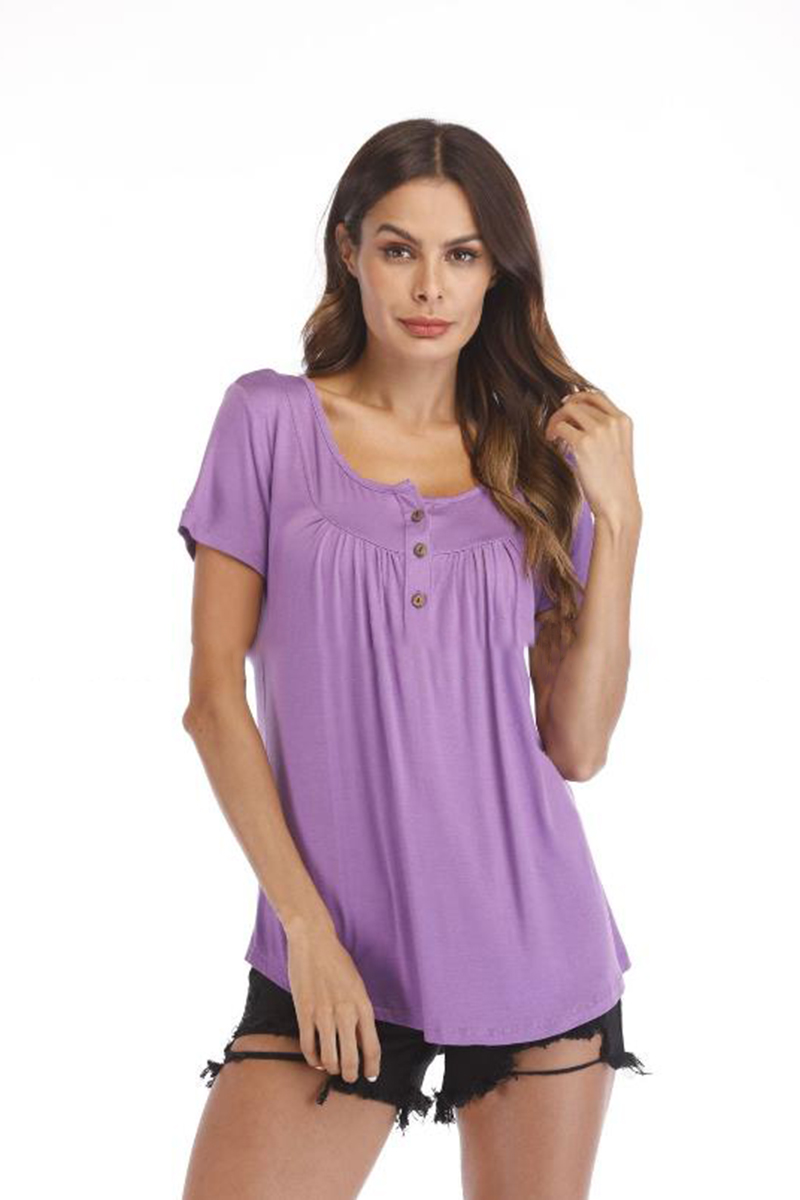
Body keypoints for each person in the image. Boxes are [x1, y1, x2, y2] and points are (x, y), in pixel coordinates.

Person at [178, 118, 649, 1200]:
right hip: (332, 948)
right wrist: (305, 931)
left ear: (496, 272)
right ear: (350, 250)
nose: (429, 286)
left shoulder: (542, 467)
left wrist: (620, 523)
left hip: (532, 943)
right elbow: (212, 700)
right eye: (399, 249)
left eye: (461, 254)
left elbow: (577, 746)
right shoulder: (268, 422)